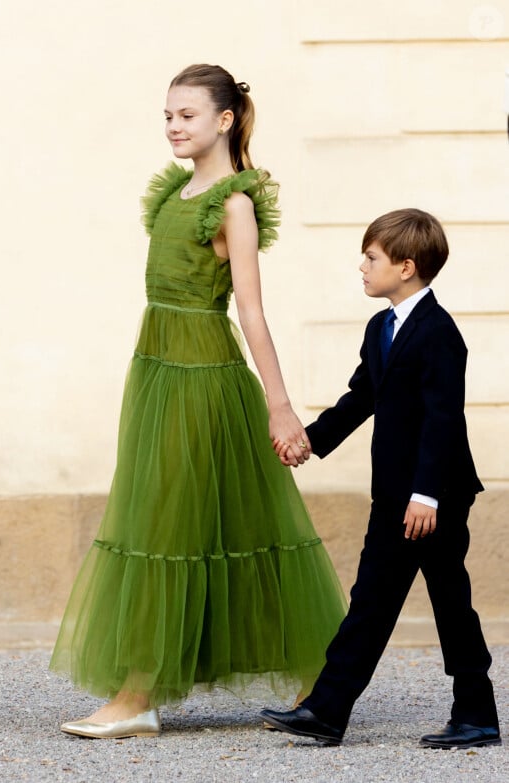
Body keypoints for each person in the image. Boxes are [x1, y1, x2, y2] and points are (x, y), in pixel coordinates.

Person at [50, 63, 346, 739]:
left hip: (202, 377)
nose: (173, 127)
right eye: (166, 115)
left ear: (224, 120)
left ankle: (140, 694)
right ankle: (321, 680)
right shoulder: (173, 196)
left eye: (186, 115)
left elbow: (252, 311)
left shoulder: (233, 205)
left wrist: (280, 407)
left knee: (168, 527)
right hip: (157, 371)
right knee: (213, 525)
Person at [261, 208, 501, 749]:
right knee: (380, 599)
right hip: (394, 494)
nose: (362, 267)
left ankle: (471, 714)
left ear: (407, 267)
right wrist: (309, 441)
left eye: (372, 258)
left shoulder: (439, 334)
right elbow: (362, 397)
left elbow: (444, 422)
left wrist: (426, 495)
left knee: (438, 602)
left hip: (432, 498)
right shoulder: (381, 328)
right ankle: (331, 710)